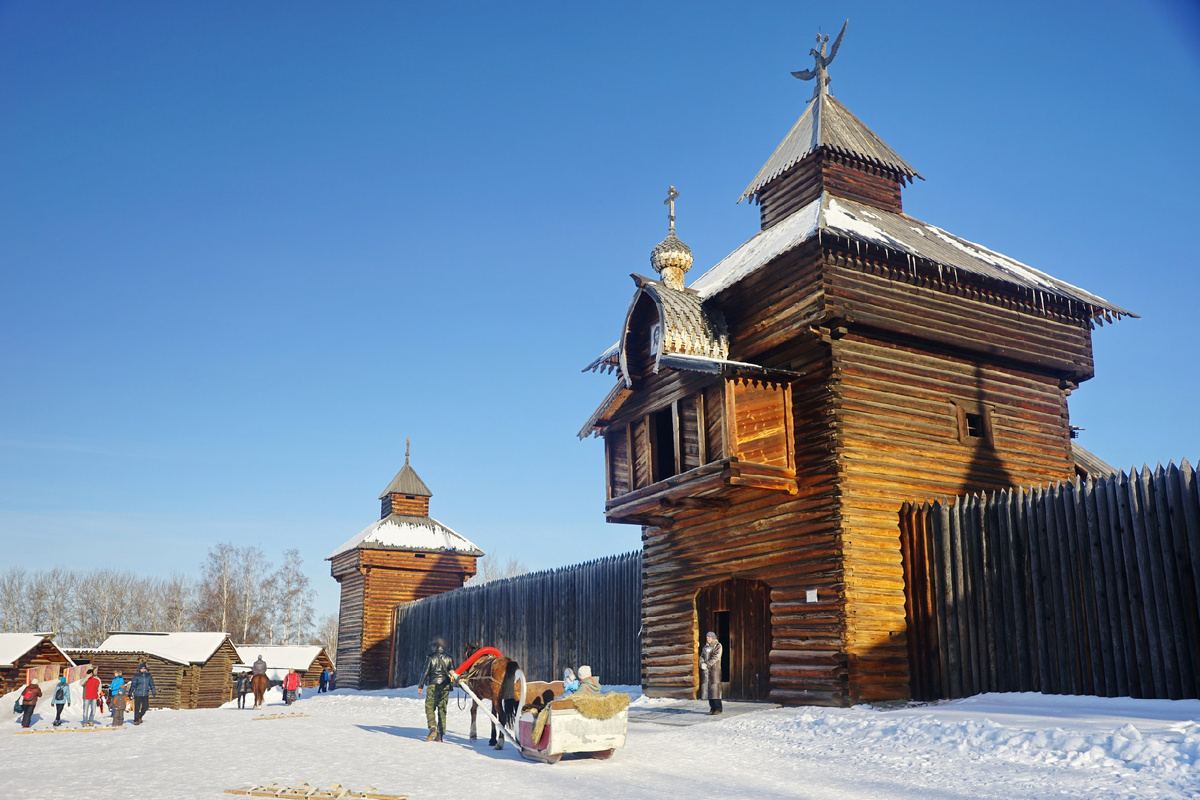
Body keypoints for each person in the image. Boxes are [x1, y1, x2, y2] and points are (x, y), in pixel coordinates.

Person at [416, 636, 453, 742]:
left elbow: (425, 672)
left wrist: (421, 685)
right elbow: (452, 672)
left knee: (429, 706)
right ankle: (440, 736)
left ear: (435, 646)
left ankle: (432, 727)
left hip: (433, 685)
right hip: (445, 686)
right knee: (442, 709)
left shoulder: (430, 657)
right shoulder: (449, 657)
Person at [700, 630, 723, 715]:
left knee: (715, 690)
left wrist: (707, 664)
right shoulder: (705, 647)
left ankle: (718, 708)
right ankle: (712, 708)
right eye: (706, 637)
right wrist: (701, 663)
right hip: (706, 672)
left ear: (713, 638)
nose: (707, 638)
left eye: (708, 637)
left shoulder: (718, 645)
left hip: (714, 671)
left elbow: (716, 656)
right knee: (709, 690)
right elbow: (702, 656)